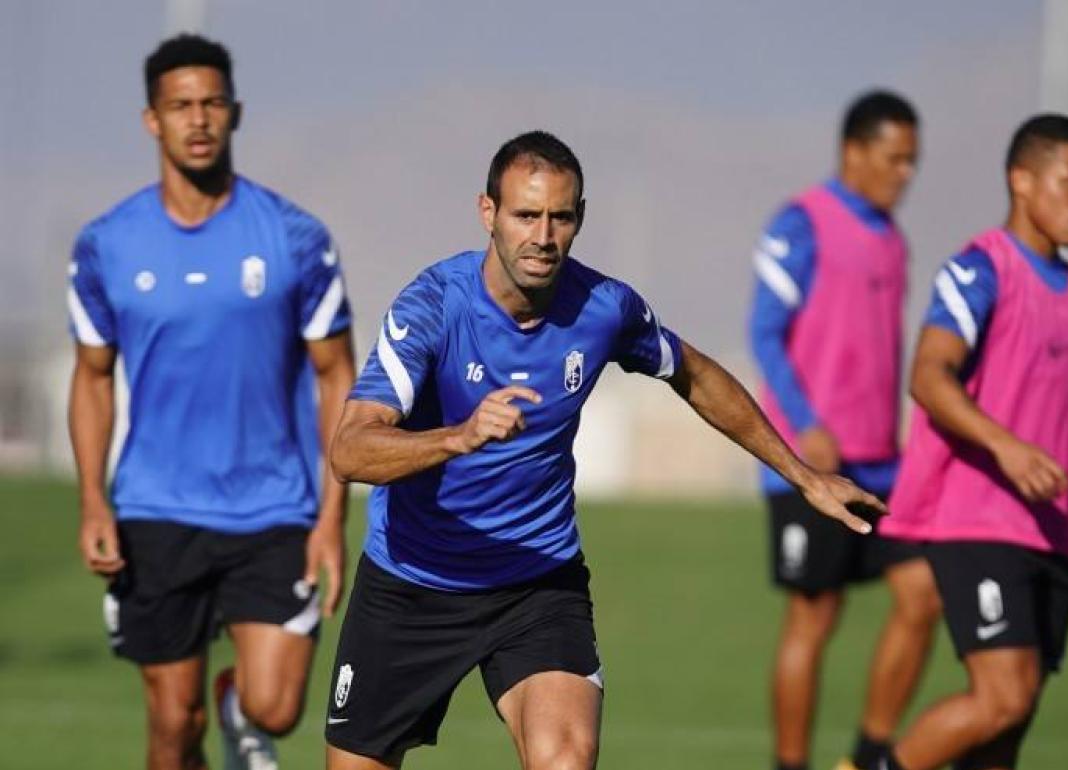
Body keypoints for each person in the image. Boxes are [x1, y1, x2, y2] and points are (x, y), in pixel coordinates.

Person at [323, 130, 886, 770]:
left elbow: (695, 374)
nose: (542, 235)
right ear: (488, 213)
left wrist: (804, 476)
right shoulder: (431, 308)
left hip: (535, 581)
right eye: (525, 215)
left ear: (579, 219)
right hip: (414, 581)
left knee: (566, 759)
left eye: (560, 217)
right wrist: (459, 436)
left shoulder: (604, 308)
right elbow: (350, 449)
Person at [67, 34, 356, 770]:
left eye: (212, 103)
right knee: (172, 724)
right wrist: (94, 502)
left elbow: (336, 378)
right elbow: (93, 377)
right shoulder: (107, 244)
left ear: (236, 113)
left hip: (273, 508)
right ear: (152, 121)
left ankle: (240, 710)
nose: (198, 119)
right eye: (180, 106)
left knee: (276, 707)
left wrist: (331, 518)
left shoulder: (294, 238)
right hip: (154, 510)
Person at [876, 114, 1068, 770]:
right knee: (1002, 695)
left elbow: (1050, 414)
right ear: (1021, 179)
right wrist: (1006, 448)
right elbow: (929, 375)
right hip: (979, 519)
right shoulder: (979, 270)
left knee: (1005, 735)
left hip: (1052, 529)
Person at [749, 90, 941, 770]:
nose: (906, 174)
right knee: (814, 617)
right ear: (854, 151)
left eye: (914, 161)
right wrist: (806, 428)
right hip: (809, 466)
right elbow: (764, 333)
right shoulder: (801, 223)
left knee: (923, 594)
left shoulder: (893, 237)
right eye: (894, 158)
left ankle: (866, 758)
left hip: (884, 465)